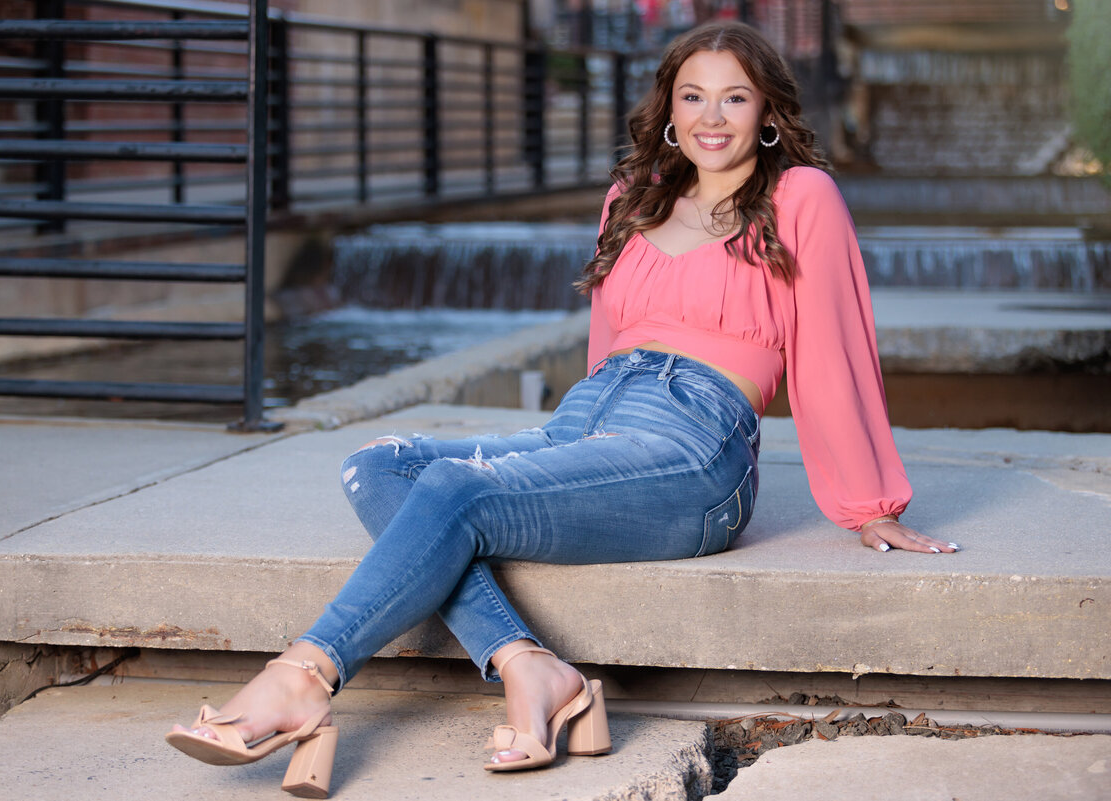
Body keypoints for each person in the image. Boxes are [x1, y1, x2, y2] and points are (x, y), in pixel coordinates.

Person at [165, 20, 960, 798]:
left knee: (452, 488)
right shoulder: (634, 196)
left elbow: (833, 348)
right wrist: (563, 461)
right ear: (669, 109)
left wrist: (868, 503)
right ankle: (531, 667)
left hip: (695, 449)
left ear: (768, 114)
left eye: (734, 99)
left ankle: (302, 677)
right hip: (590, 421)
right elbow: (605, 348)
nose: (711, 117)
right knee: (378, 464)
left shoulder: (800, 196)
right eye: (693, 96)